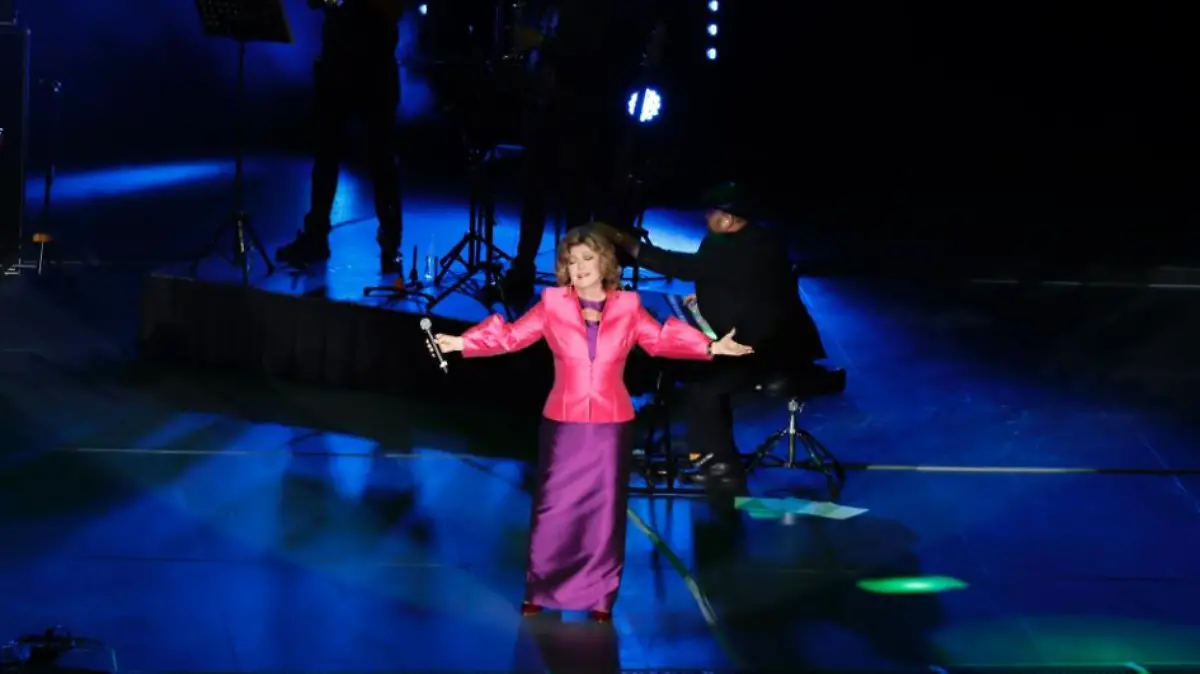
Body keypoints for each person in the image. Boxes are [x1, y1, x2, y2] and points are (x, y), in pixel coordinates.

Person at [432, 225, 753, 620]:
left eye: (587, 258)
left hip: (610, 425)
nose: (579, 267)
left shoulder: (628, 307)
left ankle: (600, 595)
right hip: (563, 424)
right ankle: (543, 587)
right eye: (571, 261)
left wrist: (710, 346)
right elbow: (512, 336)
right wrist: (462, 342)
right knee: (554, 509)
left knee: (604, 513)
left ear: (605, 263)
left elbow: (660, 339)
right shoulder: (552, 303)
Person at [595, 183, 827, 489]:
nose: (706, 217)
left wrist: (622, 240)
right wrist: (707, 293)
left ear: (728, 219)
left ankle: (721, 466)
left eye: (712, 212)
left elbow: (681, 266)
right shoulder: (760, 239)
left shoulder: (730, 247)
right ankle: (704, 454)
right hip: (777, 338)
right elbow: (742, 282)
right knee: (698, 374)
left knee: (704, 384)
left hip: (770, 348)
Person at [276, 0, 405, 273]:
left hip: (375, 66)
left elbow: (394, 10)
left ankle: (391, 243)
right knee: (326, 155)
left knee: (381, 159)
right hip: (337, 62)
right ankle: (316, 238)